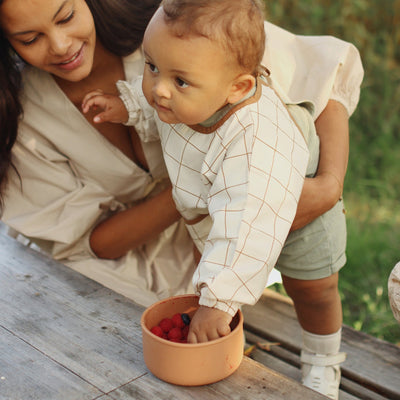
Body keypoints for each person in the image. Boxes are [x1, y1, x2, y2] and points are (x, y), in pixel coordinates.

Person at [0, 0, 363, 398]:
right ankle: (222, 327)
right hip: (204, 222)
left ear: (238, 87)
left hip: (284, 207)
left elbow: (250, 225)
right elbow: (156, 96)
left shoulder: (210, 53)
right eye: (30, 38)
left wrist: (329, 184)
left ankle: (323, 361)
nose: (60, 44)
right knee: (202, 275)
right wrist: (127, 106)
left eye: (66, 16)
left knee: (314, 289)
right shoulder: (169, 59)